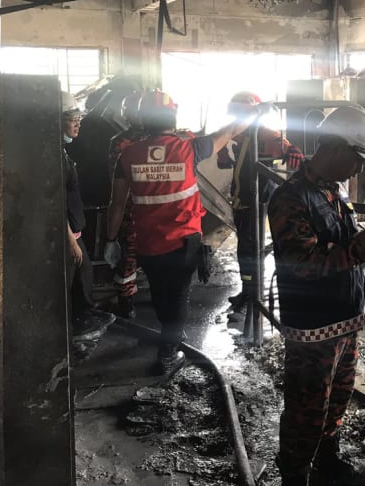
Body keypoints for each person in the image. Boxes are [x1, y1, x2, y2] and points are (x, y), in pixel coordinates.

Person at [268, 106, 365, 486]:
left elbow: (337, 243)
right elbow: (302, 262)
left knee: (337, 400)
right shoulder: (289, 198)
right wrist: (355, 251)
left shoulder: (334, 191)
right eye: (357, 158)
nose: (359, 168)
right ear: (334, 147)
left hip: (344, 318)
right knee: (307, 408)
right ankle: (295, 474)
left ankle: (326, 459)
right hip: (313, 326)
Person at [104, 88, 255, 375]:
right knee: (178, 295)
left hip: (148, 243)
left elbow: (116, 203)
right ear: (172, 116)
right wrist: (251, 113)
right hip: (183, 242)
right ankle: (169, 352)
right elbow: (232, 130)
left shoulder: (128, 155)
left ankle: (170, 334)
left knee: (162, 294)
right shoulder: (189, 148)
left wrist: (111, 240)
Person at [217, 91, 304, 312]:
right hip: (243, 198)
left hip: (257, 199)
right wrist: (223, 154)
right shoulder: (240, 134)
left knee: (250, 247)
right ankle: (249, 291)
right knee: (246, 247)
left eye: (239, 114)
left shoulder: (265, 135)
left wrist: (291, 150)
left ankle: (253, 294)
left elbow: (288, 149)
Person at [61, 92, 115, 342]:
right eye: (73, 118)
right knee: (75, 283)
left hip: (74, 231)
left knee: (84, 279)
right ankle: (76, 332)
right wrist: (70, 239)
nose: (78, 123)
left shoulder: (62, 152)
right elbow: (53, 201)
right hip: (68, 234)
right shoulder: (53, 158)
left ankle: (83, 320)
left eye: (78, 117)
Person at [106, 91, 146, 318]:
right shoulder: (162, 141)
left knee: (127, 258)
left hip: (128, 211)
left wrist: (110, 236)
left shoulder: (118, 142)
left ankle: (126, 303)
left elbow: (114, 183)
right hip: (154, 210)